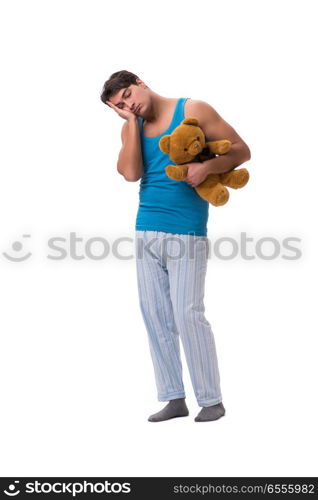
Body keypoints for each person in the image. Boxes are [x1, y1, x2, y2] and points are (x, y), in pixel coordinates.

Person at [100, 70, 251, 422]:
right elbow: (131, 173)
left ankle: (211, 399)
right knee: (155, 314)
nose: (128, 104)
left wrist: (210, 166)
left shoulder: (193, 109)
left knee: (187, 314)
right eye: (119, 106)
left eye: (128, 95)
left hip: (186, 230)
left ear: (139, 82)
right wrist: (131, 124)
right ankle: (173, 397)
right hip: (145, 229)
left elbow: (242, 150)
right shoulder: (131, 126)